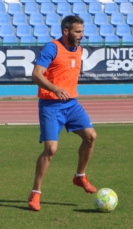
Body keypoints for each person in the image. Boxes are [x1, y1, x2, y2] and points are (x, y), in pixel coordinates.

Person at [28, 15, 98, 211]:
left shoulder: (79, 50)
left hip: (72, 104)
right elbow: (36, 75)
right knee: (50, 150)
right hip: (51, 106)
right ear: (66, 31)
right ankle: (35, 193)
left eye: (82, 31)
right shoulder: (52, 47)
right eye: (78, 31)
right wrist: (56, 89)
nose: (81, 35)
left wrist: (64, 91)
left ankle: (80, 176)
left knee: (91, 136)